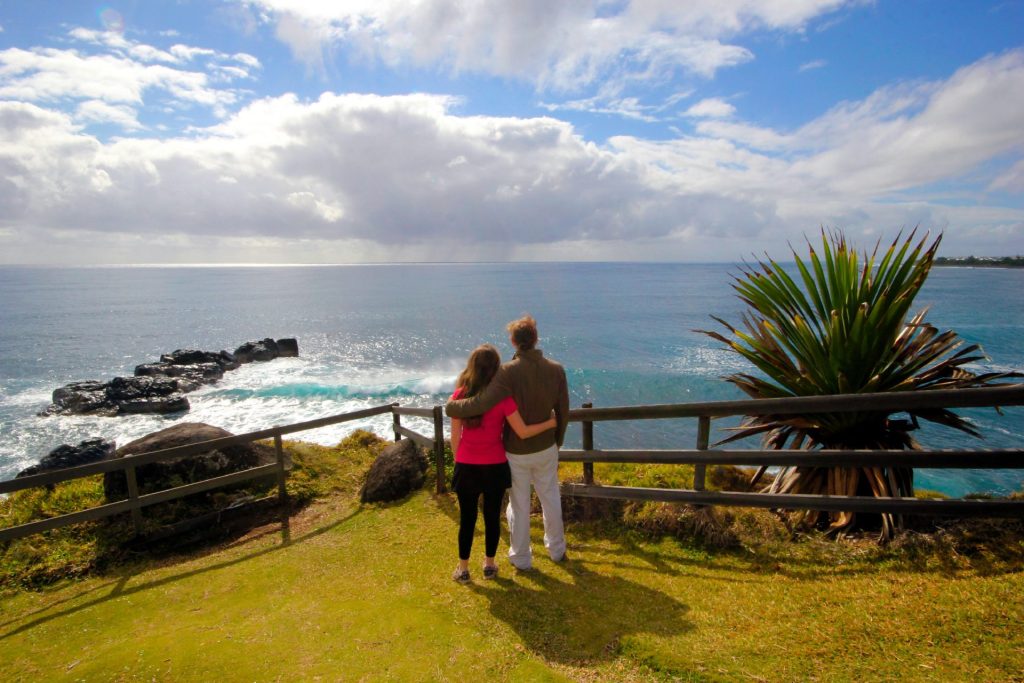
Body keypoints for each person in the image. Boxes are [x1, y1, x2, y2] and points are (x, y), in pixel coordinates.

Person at [446, 316, 570, 571]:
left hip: (515, 452)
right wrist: (556, 440)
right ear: (535, 339)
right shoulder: (556, 369)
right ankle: (557, 550)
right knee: (551, 499)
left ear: (514, 341)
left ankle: (521, 558)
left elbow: (480, 403)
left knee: (519, 505)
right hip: (544, 447)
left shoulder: (507, 372)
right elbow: (563, 410)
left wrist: (452, 407)